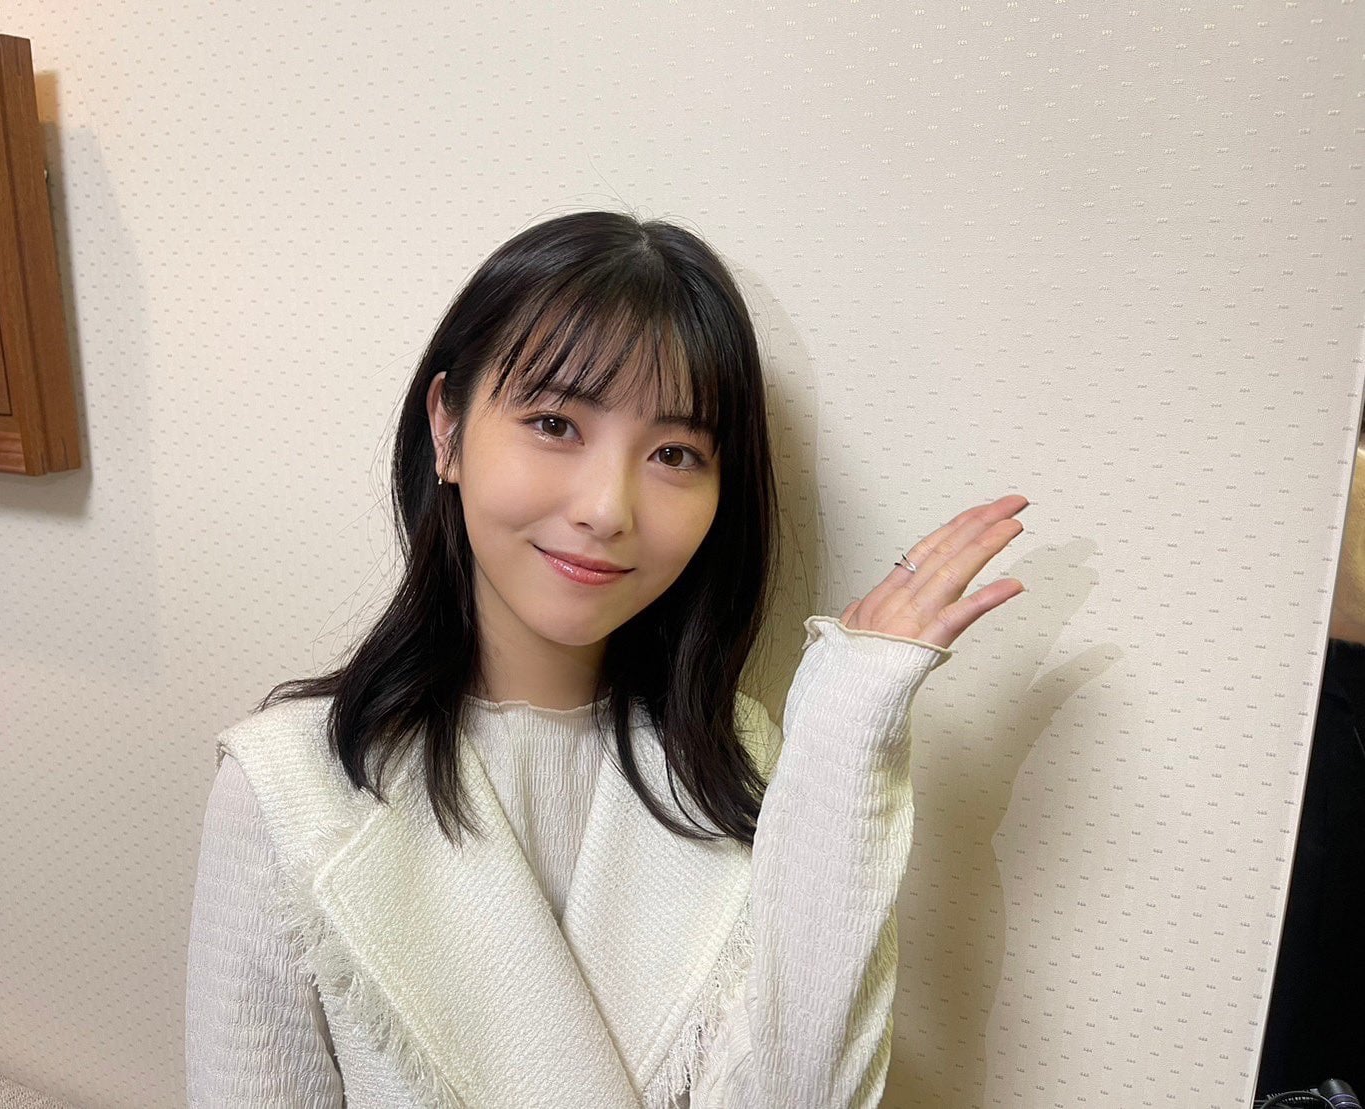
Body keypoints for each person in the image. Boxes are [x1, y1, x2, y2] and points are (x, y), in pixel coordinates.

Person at [184, 210, 1029, 1108]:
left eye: (674, 453)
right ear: (447, 428)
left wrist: (849, 722)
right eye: (554, 422)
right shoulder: (288, 785)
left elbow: (807, 1091)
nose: (606, 508)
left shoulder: (739, 758)